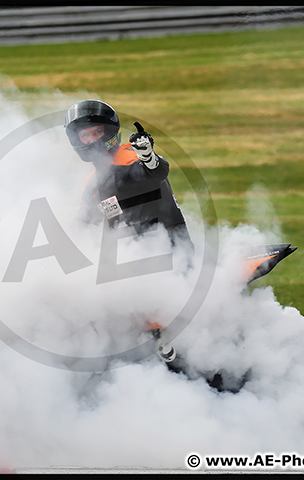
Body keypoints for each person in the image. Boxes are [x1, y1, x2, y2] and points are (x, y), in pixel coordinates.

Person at [64, 99, 194, 365]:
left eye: (96, 132)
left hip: (168, 261)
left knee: (158, 348)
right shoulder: (93, 183)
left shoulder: (129, 157)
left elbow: (151, 173)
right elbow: (81, 226)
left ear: (110, 132)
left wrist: (149, 159)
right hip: (132, 268)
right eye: (84, 135)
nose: (91, 140)